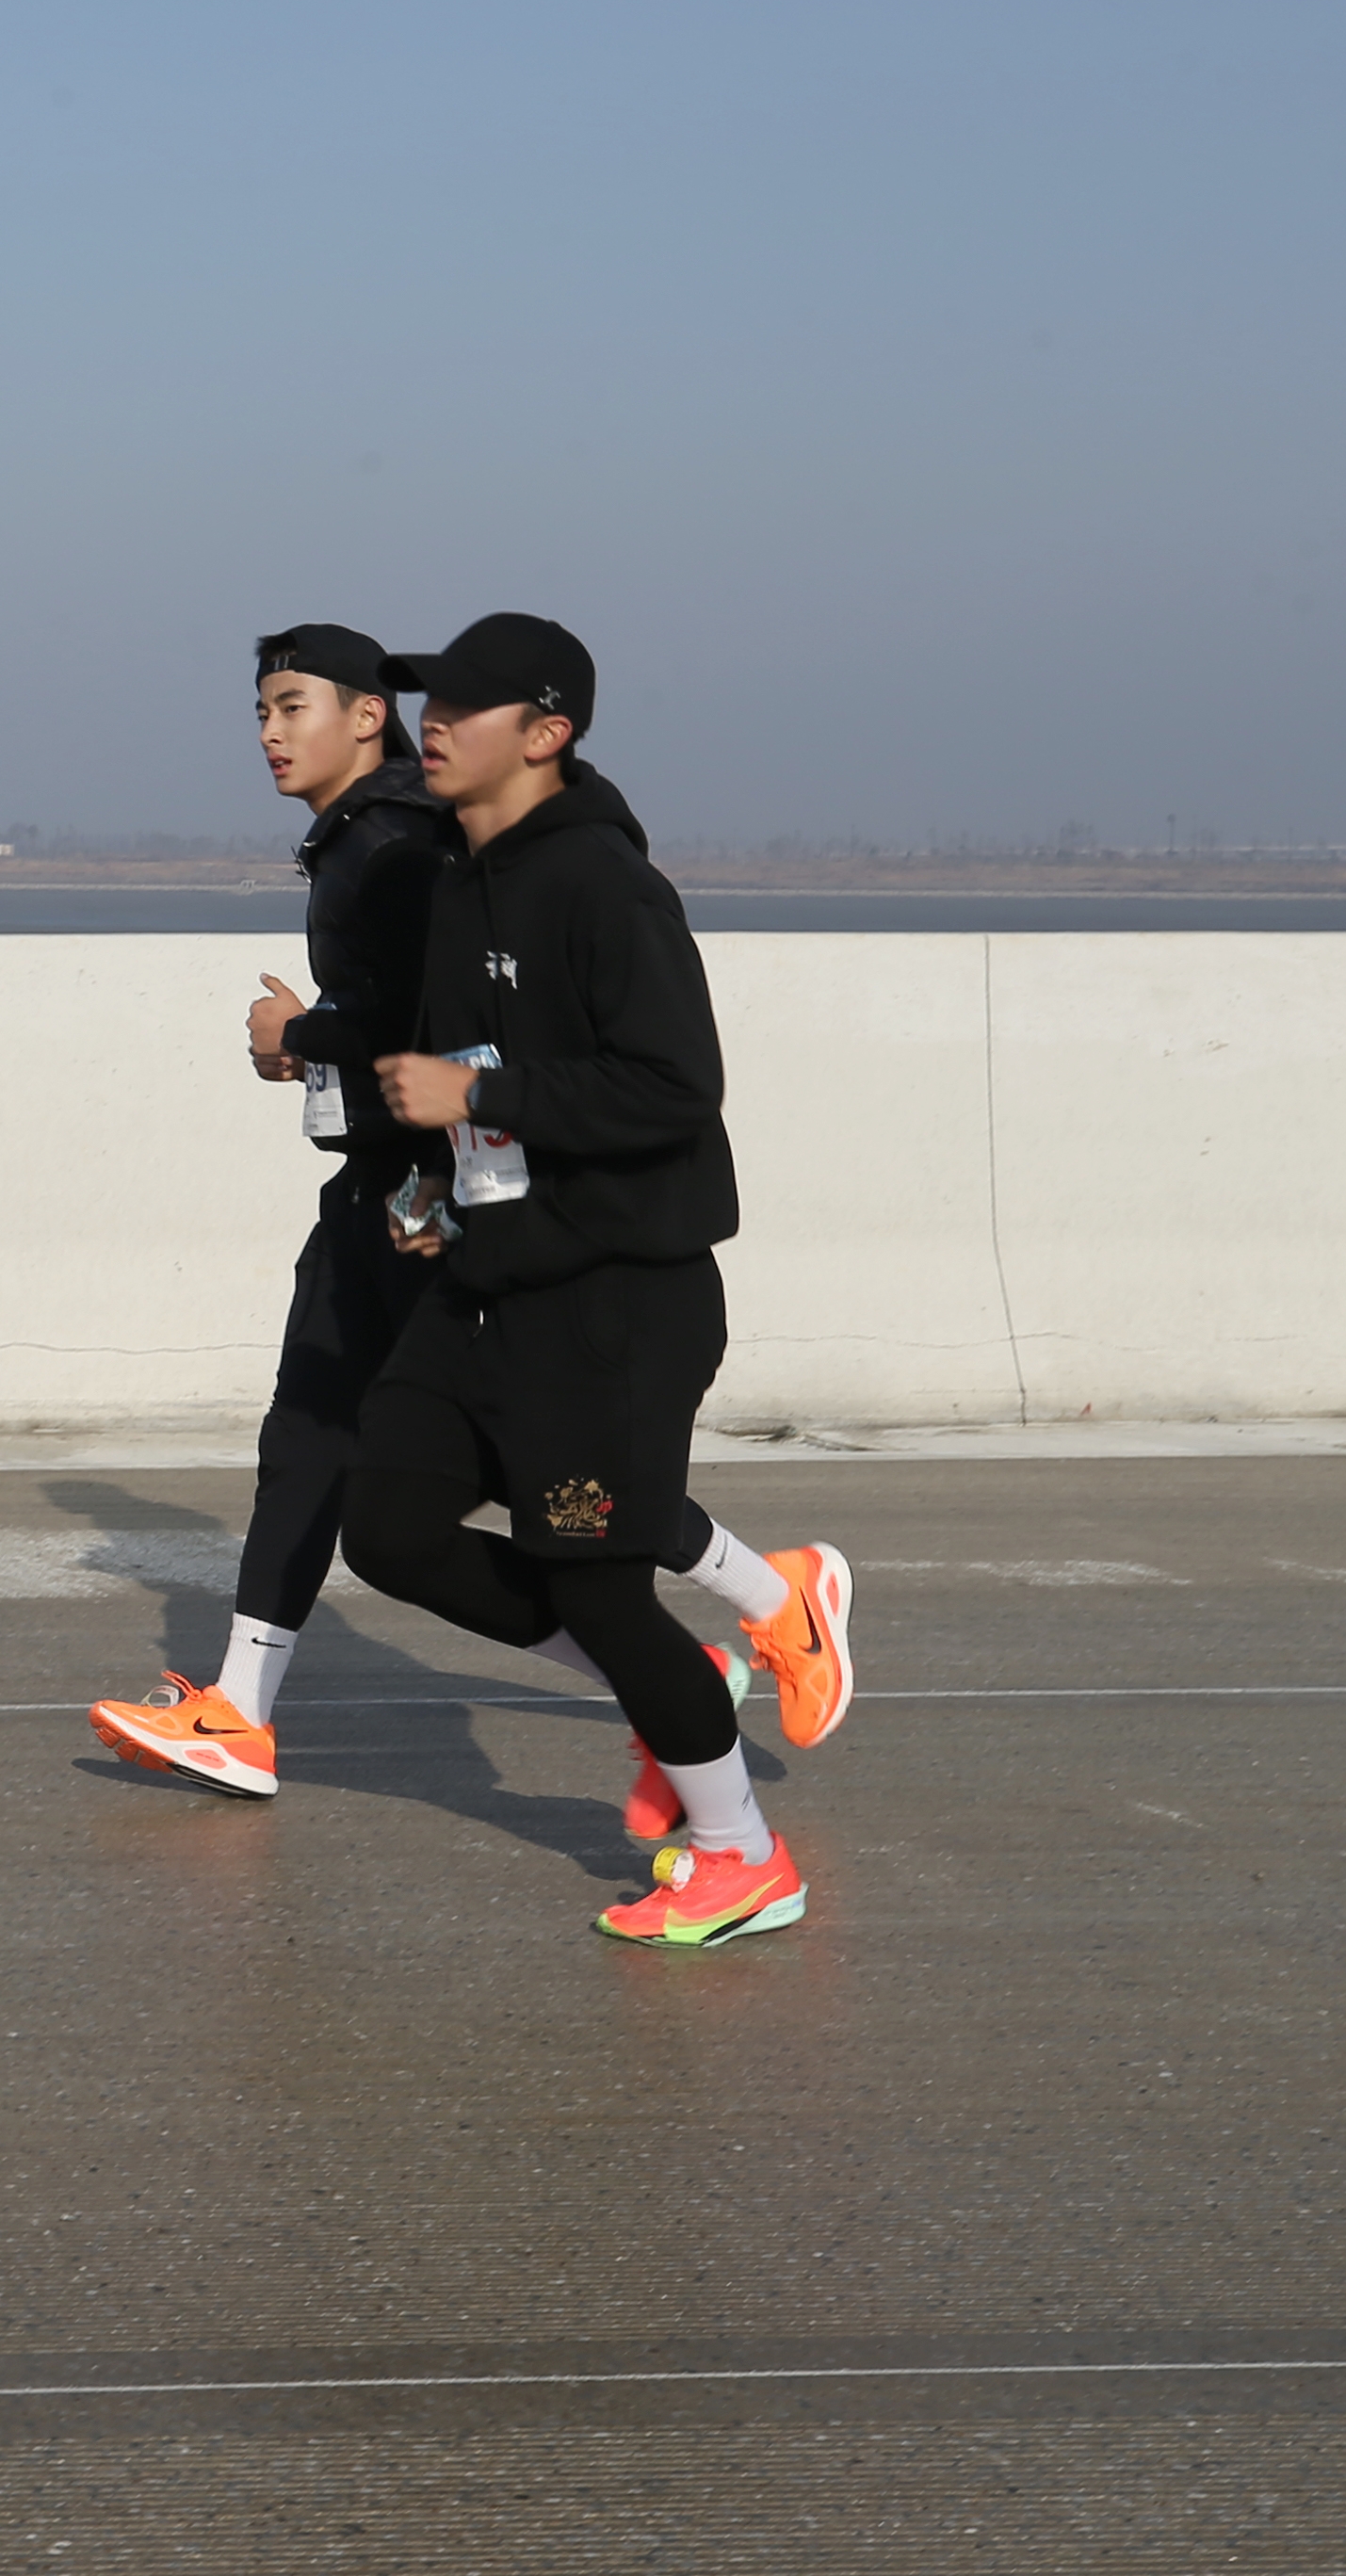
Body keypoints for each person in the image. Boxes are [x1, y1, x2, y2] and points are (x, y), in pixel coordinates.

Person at [93, 630, 844, 1826]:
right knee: (365, 1476)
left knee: (544, 1513)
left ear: (365, 720)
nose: (268, 732)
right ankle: (726, 1635)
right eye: (258, 710)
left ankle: (727, 1716)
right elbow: (434, 1031)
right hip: (446, 1214)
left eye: (291, 705)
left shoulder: (467, 858)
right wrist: (387, 1124)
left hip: (532, 1242)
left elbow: (566, 1064)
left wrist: (329, 1054)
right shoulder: (419, 854)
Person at [335, 613, 855, 1944]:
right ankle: (681, 1677)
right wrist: (424, 1188)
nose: (428, 720)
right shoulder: (458, 877)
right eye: (422, 699)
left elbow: (676, 1085)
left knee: (592, 1586)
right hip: (485, 1277)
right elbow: (444, 1068)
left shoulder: (605, 887)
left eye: (461, 702)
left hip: (614, 1299)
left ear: (546, 731)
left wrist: (481, 1089)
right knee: (388, 1527)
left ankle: (742, 1853)